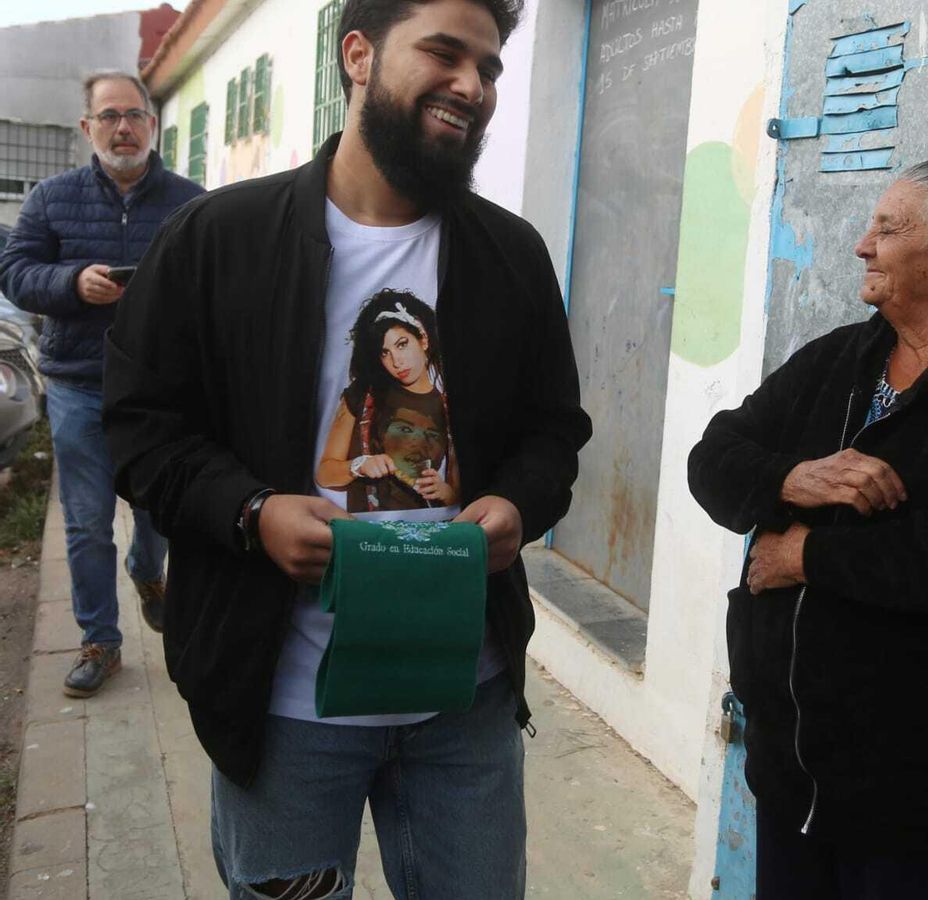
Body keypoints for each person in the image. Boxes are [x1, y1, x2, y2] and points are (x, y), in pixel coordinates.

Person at [101, 0, 590, 895]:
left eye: (488, 68)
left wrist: (520, 503)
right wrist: (249, 512)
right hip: (284, 705)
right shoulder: (218, 241)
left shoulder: (510, 255)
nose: (471, 87)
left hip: (462, 703)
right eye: (443, 53)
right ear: (358, 54)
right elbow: (140, 427)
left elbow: (553, 429)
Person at [688, 158, 928, 900]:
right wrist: (789, 479)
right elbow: (715, 456)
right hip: (792, 769)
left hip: (921, 798)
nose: (863, 245)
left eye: (888, 228)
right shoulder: (840, 358)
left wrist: (806, 552)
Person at [0, 71, 203, 697]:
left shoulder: (191, 201)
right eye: (109, 115)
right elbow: (15, 272)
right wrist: (72, 284)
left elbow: (215, 280)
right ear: (87, 127)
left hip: (161, 390)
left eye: (135, 115)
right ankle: (100, 641)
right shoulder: (51, 199)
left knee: (160, 510)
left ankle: (148, 570)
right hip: (78, 383)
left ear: (152, 123)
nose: (123, 127)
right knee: (87, 522)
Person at [315, 289, 461, 512]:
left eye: (402, 344)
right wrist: (359, 465)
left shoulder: (448, 407)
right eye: (385, 353)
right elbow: (325, 475)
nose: (396, 361)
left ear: (423, 339)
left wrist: (446, 493)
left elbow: (460, 495)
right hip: (367, 532)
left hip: (426, 534)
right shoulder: (363, 396)